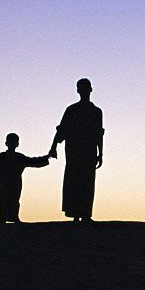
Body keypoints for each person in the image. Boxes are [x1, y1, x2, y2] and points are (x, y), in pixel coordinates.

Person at [48, 78, 103, 222]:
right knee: (75, 181)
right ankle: (76, 214)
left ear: (90, 90)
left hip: (89, 151)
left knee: (87, 181)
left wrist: (100, 153)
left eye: (85, 88)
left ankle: (85, 214)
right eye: (81, 88)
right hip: (74, 151)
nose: (83, 91)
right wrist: (53, 147)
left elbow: (99, 133)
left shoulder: (96, 112)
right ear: (78, 91)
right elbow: (62, 130)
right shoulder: (71, 110)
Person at [0, 133, 49, 223]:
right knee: (4, 199)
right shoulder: (3, 156)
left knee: (14, 199)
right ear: (7, 143)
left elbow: (33, 161)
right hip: (4, 182)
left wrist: (46, 157)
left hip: (15, 182)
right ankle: (3, 218)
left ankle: (14, 217)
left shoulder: (19, 157)